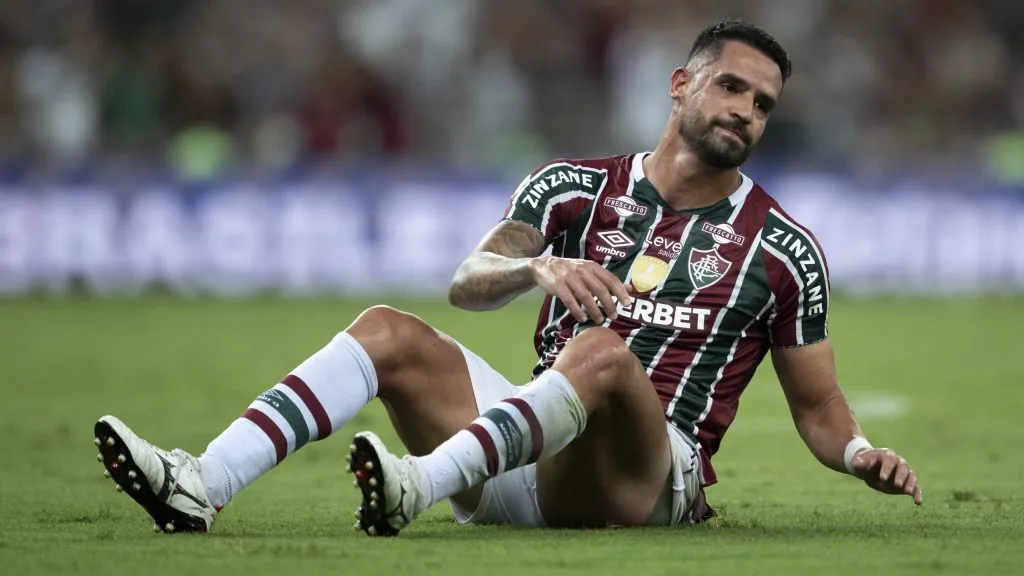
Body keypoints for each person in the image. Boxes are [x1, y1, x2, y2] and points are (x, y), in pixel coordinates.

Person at [93, 20, 922, 536]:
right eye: (731, 86)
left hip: (645, 477)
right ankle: (201, 483)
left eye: (763, 103)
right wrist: (537, 265)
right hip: (529, 456)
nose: (745, 109)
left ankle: (419, 485)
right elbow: (468, 278)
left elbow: (816, 406)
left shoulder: (782, 248)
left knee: (601, 352)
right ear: (682, 86)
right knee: (387, 330)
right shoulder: (572, 186)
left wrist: (858, 452)